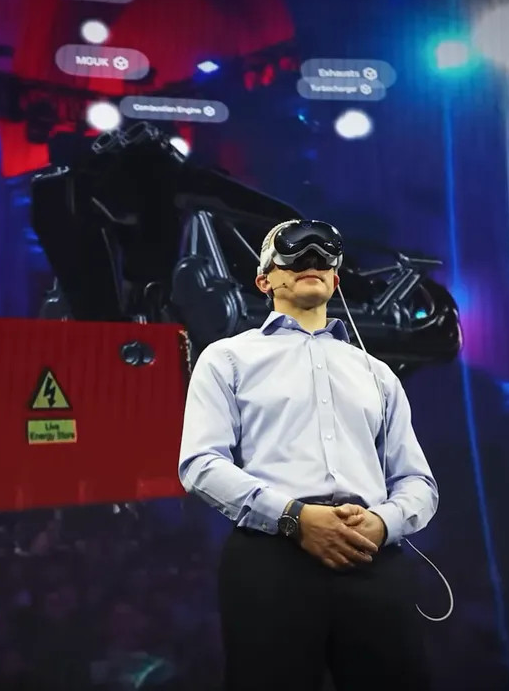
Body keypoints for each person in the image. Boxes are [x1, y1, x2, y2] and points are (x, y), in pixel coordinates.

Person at [178, 219, 438, 691]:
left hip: (371, 555)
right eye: (296, 256)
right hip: (270, 557)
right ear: (264, 280)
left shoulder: (377, 373)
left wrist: (383, 523)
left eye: (324, 259)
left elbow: (418, 482)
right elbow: (201, 463)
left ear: (336, 280)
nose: (312, 262)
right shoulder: (227, 358)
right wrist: (293, 517)